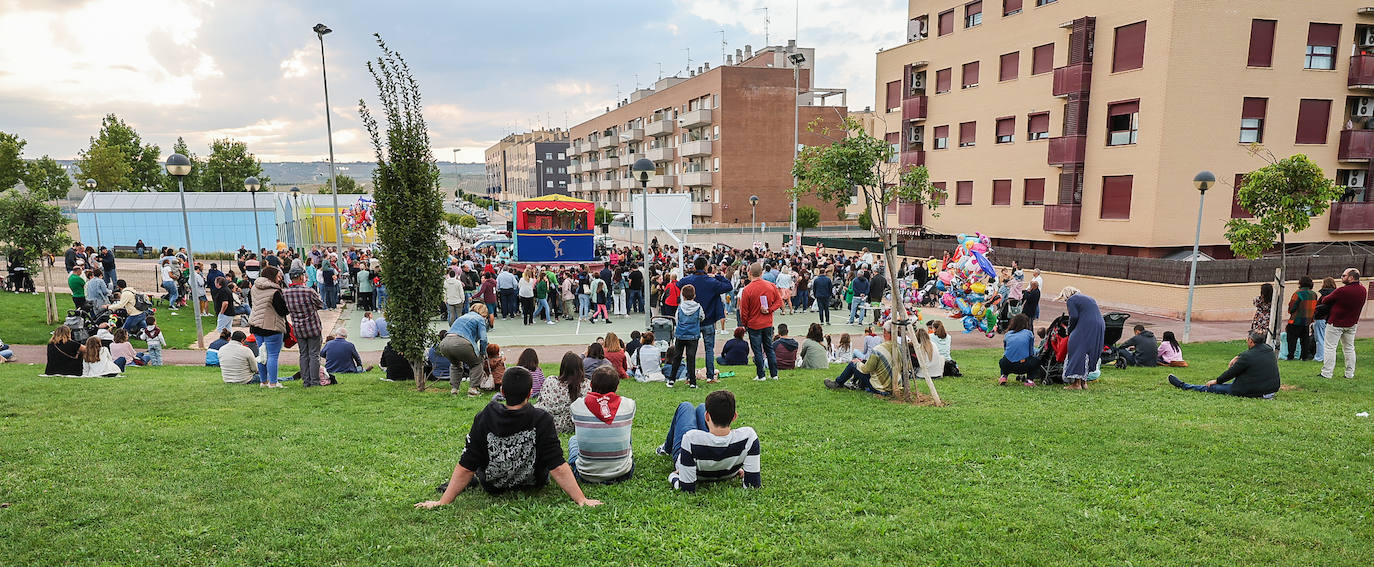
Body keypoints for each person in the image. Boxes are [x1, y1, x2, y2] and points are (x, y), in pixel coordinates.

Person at [414, 367, 602, 509]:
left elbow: (467, 465)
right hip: (533, 484)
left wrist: (442, 502)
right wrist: (581, 500)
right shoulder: (542, 419)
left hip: (493, 485)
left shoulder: (485, 416)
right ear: (530, 393)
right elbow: (558, 466)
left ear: (502, 391)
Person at [658, 390, 761, 493]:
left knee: (686, 406)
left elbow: (686, 488)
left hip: (695, 463)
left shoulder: (690, 438)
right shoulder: (749, 436)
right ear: (734, 416)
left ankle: (666, 448)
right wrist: (735, 471)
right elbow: (753, 485)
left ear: (707, 416)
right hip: (726, 468)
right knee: (701, 407)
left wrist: (673, 476)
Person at [567, 366, 637, 484]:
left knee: (574, 439)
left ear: (591, 385)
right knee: (626, 437)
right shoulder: (629, 405)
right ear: (617, 386)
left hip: (586, 474)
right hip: (623, 473)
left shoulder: (576, 406)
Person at [1168, 331, 1280, 398]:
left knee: (1213, 388)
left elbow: (1231, 373)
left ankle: (1183, 386)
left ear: (1250, 341)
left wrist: (1216, 381)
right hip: (1271, 390)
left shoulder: (1247, 357)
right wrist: (1238, 356)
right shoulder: (1269, 349)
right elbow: (1248, 355)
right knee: (1229, 384)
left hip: (1254, 392)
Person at [677, 257, 734, 383]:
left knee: (691, 351)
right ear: (705, 267)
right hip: (708, 320)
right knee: (709, 349)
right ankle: (709, 376)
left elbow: (679, 283)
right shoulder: (711, 281)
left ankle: (689, 376)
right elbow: (728, 286)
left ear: (694, 267)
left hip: (693, 320)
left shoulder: (689, 280)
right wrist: (718, 276)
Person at [824, 321, 908, 396]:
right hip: (896, 385)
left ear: (885, 332)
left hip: (880, 388)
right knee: (864, 361)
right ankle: (858, 384)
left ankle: (837, 383)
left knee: (853, 364)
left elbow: (866, 369)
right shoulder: (901, 348)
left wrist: (857, 363)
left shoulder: (878, 349)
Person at [1319, 268, 1367, 379]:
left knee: (1330, 347)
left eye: (1344, 275)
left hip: (1336, 323)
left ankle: (1327, 373)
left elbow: (1325, 300)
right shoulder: (1363, 290)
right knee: (1349, 348)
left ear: (1351, 277)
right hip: (1352, 323)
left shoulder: (1342, 291)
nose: (1342, 277)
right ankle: (1349, 373)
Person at [283, 269, 325, 387]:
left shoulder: (285, 293)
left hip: (298, 328)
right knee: (314, 355)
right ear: (301, 278)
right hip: (312, 327)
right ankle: (315, 381)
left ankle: (306, 381)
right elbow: (320, 304)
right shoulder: (309, 291)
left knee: (303, 355)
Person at [249, 265, 289, 387]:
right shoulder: (275, 291)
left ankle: (263, 381)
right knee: (272, 355)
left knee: (262, 354)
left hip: (256, 324)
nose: (280, 278)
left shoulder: (254, 288)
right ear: (272, 276)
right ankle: (273, 382)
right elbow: (282, 311)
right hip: (272, 326)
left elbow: (252, 304)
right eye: (278, 276)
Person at [740, 262, 782, 381]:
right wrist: (769, 310)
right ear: (762, 272)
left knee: (757, 350)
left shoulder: (747, 289)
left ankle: (761, 375)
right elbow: (779, 302)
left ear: (749, 273)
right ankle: (774, 374)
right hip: (767, 323)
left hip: (754, 325)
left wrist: (745, 323)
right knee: (769, 348)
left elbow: (744, 311)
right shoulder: (771, 286)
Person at [441, 303, 492, 396]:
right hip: (461, 342)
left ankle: (454, 389)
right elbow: (483, 339)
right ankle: (473, 388)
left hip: (445, 343)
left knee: (455, 364)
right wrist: (482, 352)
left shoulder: (462, 317)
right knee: (476, 363)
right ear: (483, 313)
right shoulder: (479, 319)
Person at [1058, 287, 1103, 390]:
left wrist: (1069, 330)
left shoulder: (1072, 299)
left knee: (1077, 349)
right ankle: (1084, 383)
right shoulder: (1089, 298)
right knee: (1088, 352)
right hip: (1098, 326)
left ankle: (1076, 384)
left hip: (1086, 326)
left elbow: (1073, 316)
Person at [536, 352, 589, 434]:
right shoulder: (586, 385)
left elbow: (540, 401)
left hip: (547, 424)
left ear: (563, 367)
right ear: (580, 368)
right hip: (572, 426)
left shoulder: (551, 382)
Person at [668, 284, 704, 388]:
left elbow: (677, 320)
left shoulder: (680, 307)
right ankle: (692, 382)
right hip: (693, 335)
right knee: (691, 358)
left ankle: (671, 380)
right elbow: (702, 317)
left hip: (680, 335)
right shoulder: (698, 307)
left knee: (677, 357)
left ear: (683, 296)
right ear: (694, 295)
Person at [997, 314, 1040, 385]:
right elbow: (1031, 352)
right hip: (1024, 365)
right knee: (1036, 360)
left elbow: (1005, 350)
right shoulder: (1029, 333)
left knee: (1003, 359)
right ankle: (1029, 380)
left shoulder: (1007, 334)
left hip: (1006, 364)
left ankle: (1004, 376)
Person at [1313, 276, 1337, 363]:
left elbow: (1322, 307)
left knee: (1320, 338)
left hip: (1321, 318)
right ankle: (1328, 356)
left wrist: (1316, 311)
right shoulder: (1336, 294)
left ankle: (1319, 357)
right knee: (1329, 340)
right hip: (1330, 319)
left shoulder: (1324, 295)